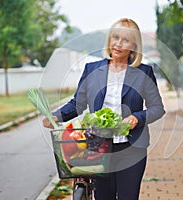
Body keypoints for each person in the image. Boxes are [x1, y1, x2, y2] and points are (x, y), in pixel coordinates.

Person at [43, 18, 165, 200]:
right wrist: (56, 116)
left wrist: (137, 118)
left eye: (125, 40)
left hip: (132, 149)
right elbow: (78, 104)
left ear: (134, 45)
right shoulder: (91, 69)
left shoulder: (144, 72)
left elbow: (157, 108)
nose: (118, 43)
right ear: (109, 39)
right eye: (115, 37)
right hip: (98, 148)